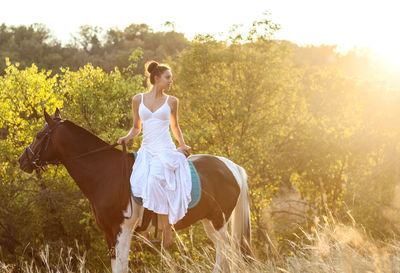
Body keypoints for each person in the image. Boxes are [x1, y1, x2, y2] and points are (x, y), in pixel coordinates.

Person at [117, 60, 192, 248]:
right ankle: (147, 228)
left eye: (171, 78)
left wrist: (182, 144)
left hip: (164, 150)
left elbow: (175, 126)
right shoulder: (138, 99)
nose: (171, 81)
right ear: (156, 78)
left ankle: (167, 229)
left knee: (154, 181)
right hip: (147, 149)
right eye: (168, 78)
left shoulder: (172, 101)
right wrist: (126, 138)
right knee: (138, 183)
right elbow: (136, 127)